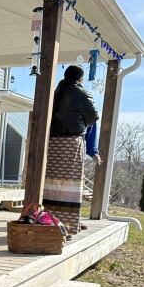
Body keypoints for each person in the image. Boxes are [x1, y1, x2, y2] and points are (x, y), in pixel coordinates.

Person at [43, 64, 100, 237]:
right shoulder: (81, 93)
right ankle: (67, 225)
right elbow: (93, 117)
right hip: (71, 144)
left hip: (53, 144)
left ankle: (49, 221)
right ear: (80, 78)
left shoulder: (56, 92)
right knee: (70, 187)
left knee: (53, 184)